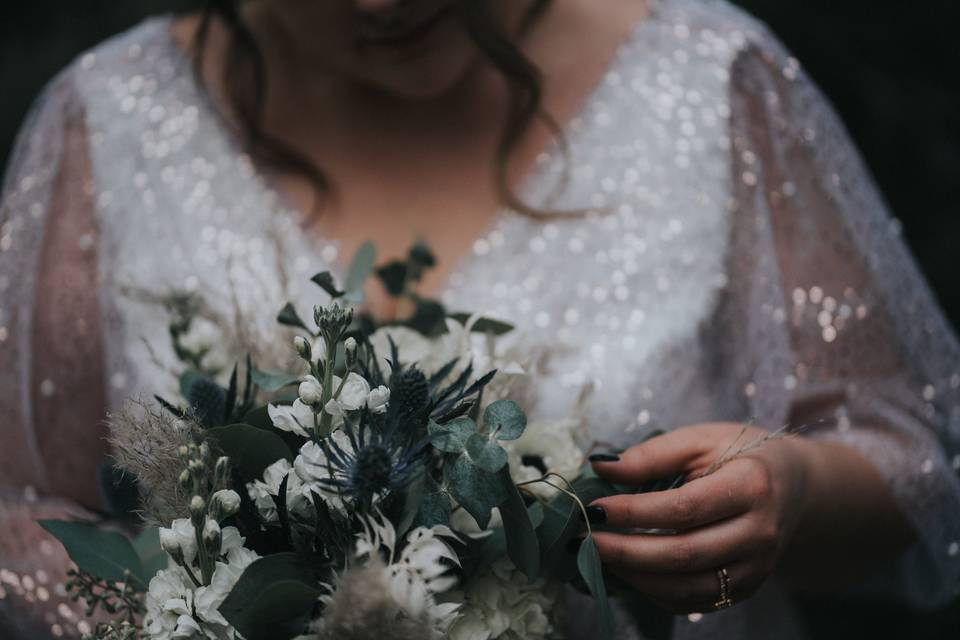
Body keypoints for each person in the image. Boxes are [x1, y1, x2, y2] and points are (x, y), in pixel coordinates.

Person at [1, 0, 958, 637]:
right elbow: (18, 513)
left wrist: (786, 495)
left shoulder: (711, 80)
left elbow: (913, 454)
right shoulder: (108, 122)